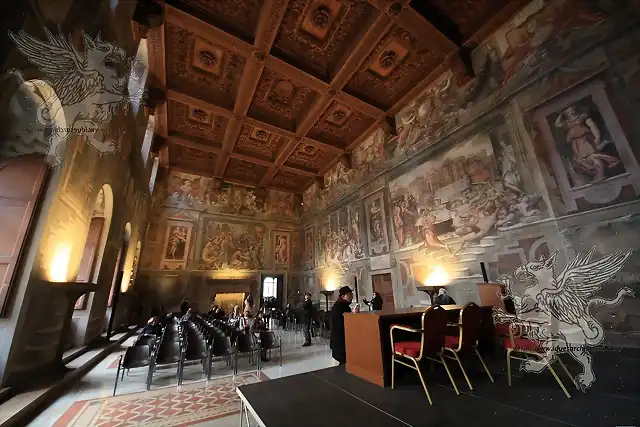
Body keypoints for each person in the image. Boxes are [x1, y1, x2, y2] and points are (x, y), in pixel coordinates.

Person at [330, 286, 353, 365]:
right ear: (343, 296)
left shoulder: (343, 306)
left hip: (342, 341)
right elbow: (342, 323)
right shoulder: (339, 307)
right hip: (340, 341)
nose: (352, 296)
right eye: (349, 295)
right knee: (344, 363)